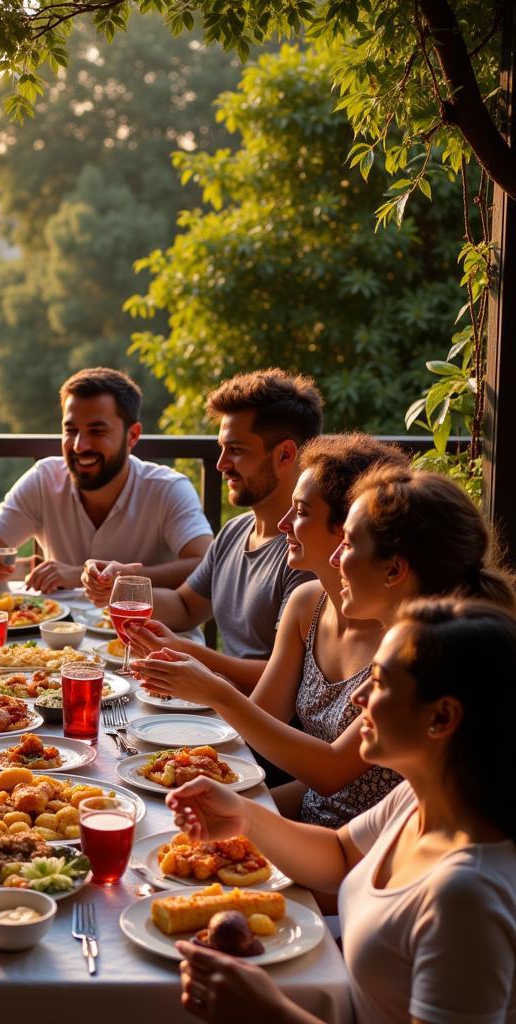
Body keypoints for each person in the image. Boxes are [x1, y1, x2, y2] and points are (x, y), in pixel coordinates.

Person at [168, 597, 516, 1024]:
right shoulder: (419, 798)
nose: (357, 696)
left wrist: (270, 1012)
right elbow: (339, 855)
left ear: (442, 717)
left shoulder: (467, 897)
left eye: (380, 681)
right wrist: (245, 817)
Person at [133, 435, 410, 828]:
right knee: (157, 817)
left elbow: (332, 775)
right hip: (311, 816)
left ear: (346, 528)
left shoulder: (407, 642)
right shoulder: (309, 604)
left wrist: (211, 687)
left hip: (362, 845)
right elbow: (254, 726)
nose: (283, 524)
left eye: (300, 512)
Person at [110, 369, 324, 694]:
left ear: (284, 454)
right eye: (221, 448)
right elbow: (185, 608)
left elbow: (287, 681)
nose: (221, 463)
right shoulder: (235, 531)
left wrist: (191, 655)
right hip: (217, 709)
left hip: (253, 731)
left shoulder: (306, 552)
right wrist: (122, 592)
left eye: (236, 450)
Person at [0, 367, 213, 594]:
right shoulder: (44, 480)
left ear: (132, 436)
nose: (79, 445)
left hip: (148, 643)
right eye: (71, 430)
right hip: (59, 647)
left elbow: (206, 564)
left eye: (97, 431)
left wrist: (96, 578)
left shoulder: (168, 489)